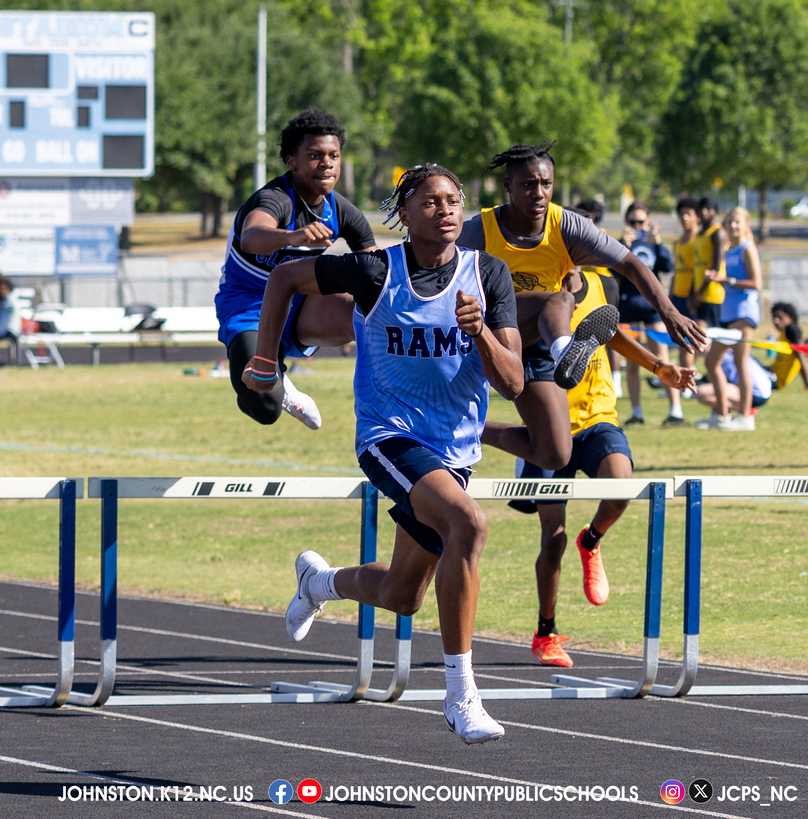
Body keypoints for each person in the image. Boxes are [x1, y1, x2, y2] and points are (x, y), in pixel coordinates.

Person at [246, 164, 523, 744]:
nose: (445, 211)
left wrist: (480, 333)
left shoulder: (487, 274)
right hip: (388, 436)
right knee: (468, 524)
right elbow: (284, 278)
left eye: (453, 201)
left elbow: (514, 383)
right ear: (405, 213)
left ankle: (320, 583)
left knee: (402, 594)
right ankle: (461, 695)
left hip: (454, 451)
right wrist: (267, 361)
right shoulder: (375, 270)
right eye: (430, 202)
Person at [459, 141, 706, 471]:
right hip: (494, 338)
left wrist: (669, 313)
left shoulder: (567, 225)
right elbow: (432, 262)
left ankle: (470, 428)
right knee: (560, 298)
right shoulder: (479, 232)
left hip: (537, 345)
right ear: (507, 186)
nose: (539, 193)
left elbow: (631, 264)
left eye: (546, 184)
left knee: (554, 454)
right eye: (528, 184)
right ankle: (567, 350)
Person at [510, 266, 695, 667]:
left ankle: (592, 539)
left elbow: (612, 334)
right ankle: (546, 632)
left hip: (598, 417)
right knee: (552, 539)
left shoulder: (602, 283)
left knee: (621, 483)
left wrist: (658, 366)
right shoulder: (530, 288)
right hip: (549, 426)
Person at [215, 109, 377, 430]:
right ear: (292, 162)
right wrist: (293, 236)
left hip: (302, 305)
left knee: (372, 310)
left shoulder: (341, 209)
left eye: (334, 156)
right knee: (265, 408)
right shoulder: (275, 198)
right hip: (250, 307)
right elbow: (252, 237)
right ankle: (281, 386)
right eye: (315, 155)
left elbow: (375, 265)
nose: (327, 163)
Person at [695, 206, 763, 431]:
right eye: (730, 221)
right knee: (711, 362)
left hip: (744, 313)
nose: (733, 226)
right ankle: (722, 415)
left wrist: (727, 281)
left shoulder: (747, 248)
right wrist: (716, 278)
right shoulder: (729, 249)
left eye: (737, 222)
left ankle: (745, 417)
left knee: (740, 364)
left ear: (745, 224)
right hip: (728, 313)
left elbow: (756, 283)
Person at [616, 201, 681, 426]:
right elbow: (612, 271)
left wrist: (658, 242)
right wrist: (623, 246)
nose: (637, 226)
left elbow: (667, 267)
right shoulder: (621, 243)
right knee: (632, 361)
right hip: (629, 308)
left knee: (662, 359)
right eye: (633, 221)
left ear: (648, 221)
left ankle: (675, 411)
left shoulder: (653, 243)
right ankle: (637, 413)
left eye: (641, 221)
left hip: (652, 309)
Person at [573, 199, 622, 398]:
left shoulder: (600, 236)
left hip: (600, 288)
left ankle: (616, 378)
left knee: (609, 335)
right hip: (583, 286)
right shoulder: (575, 237)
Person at [670, 197, 701, 405]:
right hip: (678, 297)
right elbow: (676, 272)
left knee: (691, 344)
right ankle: (684, 383)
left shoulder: (698, 241)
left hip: (693, 298)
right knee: (682, 344)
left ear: (697, 217)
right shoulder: (678, 242)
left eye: (688, 214)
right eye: (682, 214)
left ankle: (689, 380)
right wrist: (670, 296)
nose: (685, 218)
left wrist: (694, 295)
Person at [694, 348, 774, 419]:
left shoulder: (718, 355)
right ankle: (720, 415)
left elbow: (718, 381)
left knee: (702, 393)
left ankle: (744, 410)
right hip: (764, 391)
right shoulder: (732, 349)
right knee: (717, 388)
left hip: (755, 393)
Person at [688, 197, 728, 329]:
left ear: (715, 212)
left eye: (708, 209)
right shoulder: (698, 235)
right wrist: (692, 293)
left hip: (712, 294)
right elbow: (696, 267)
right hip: (699, 294)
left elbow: (715, 268)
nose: (704, 212)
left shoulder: (717, 232)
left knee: (710, 333)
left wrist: (699, 293)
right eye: (701, 208)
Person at [769, 302, 808, 392]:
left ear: (791, 318)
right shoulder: (784, 332)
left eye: (780, 317)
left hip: (776, 379)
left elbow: (801, 356)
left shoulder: (791, 329)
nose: (776, 321)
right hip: (771, 372)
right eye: (774, 317)